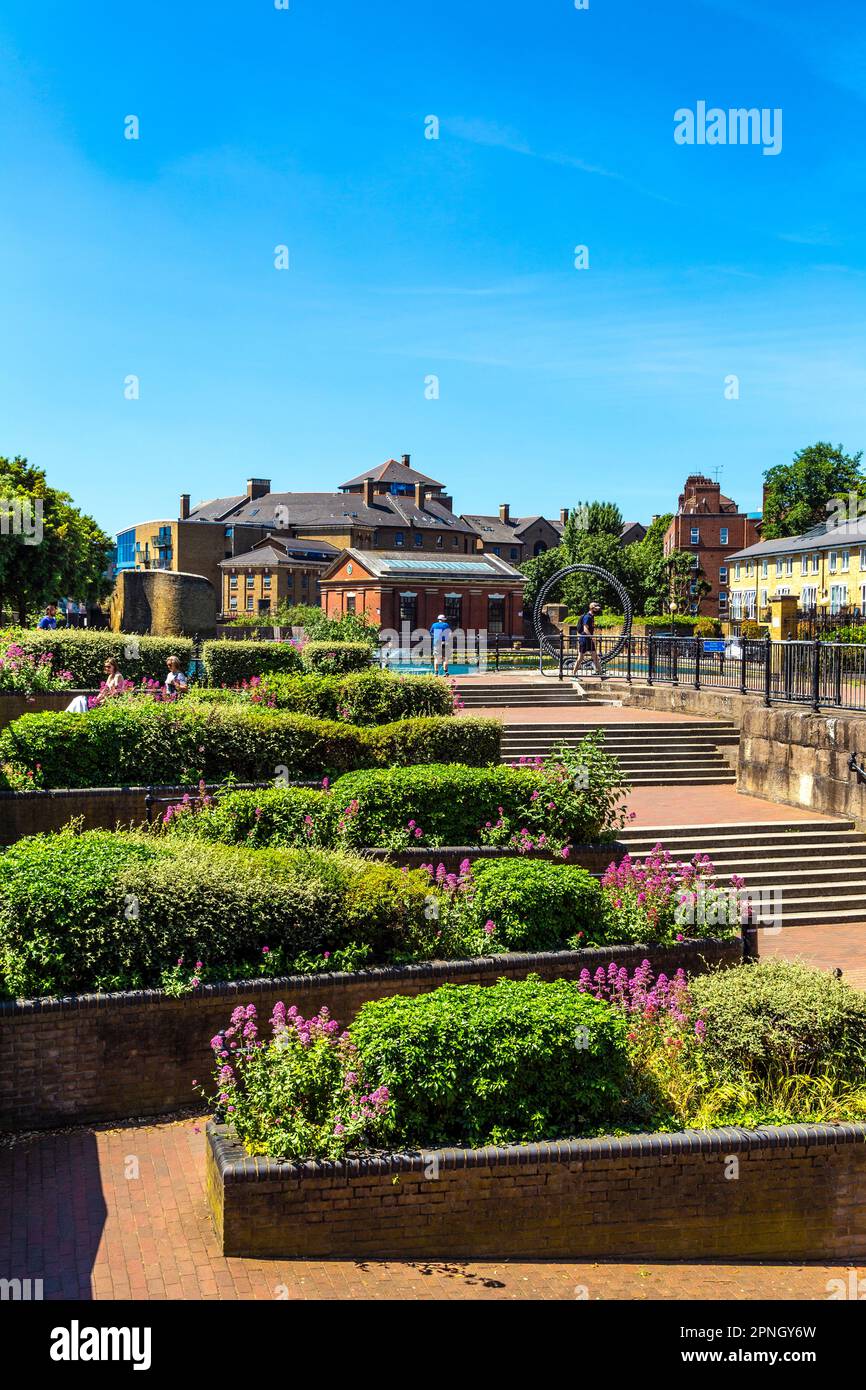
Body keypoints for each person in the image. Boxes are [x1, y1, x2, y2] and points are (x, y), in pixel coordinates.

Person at [577, 602, 604, 678]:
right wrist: (593, 637)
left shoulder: (592, 617)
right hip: (584, 640)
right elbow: (585, 629)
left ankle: (601, 674)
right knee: (580, 658)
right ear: (592, 608)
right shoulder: (587, 617)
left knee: (595, 657)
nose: (597, 610)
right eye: (596, 608)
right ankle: (574, 674)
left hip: (589, 640)